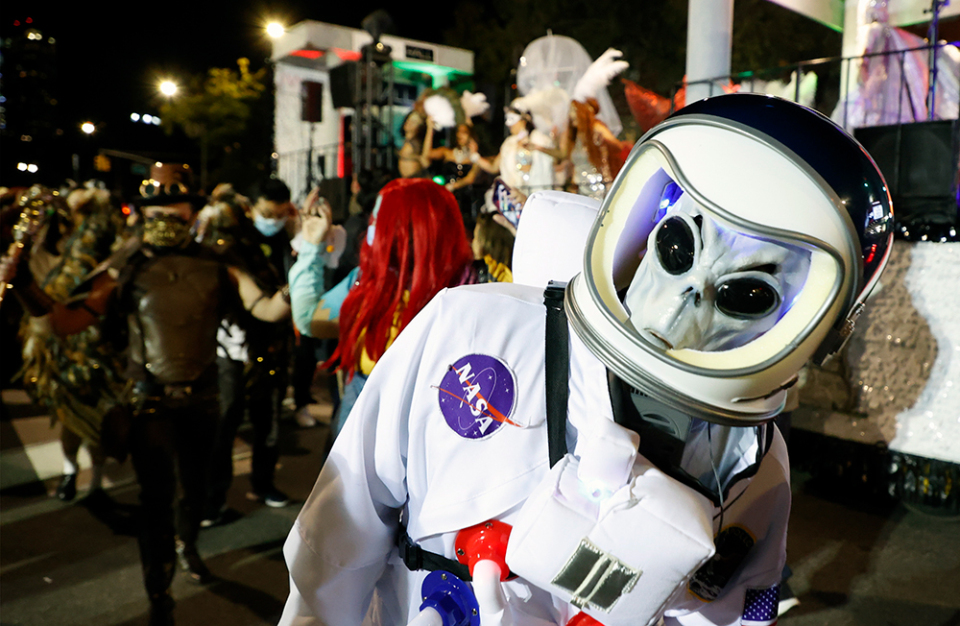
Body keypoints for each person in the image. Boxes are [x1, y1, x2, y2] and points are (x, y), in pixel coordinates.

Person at [276, 94, 893, 626]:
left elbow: (737, 612)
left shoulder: (754, 470)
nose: (686, 302)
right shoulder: (473, 332)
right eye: (678, 246)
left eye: (747, 295)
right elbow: (334, 543)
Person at [2, 174, 293, 626]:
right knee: (156, 501)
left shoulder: (220, 263)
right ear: (141, 214)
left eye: (175, 211)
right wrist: (22, 284)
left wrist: (305, 270)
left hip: (204, 399)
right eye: (155, 212)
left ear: (192, 212)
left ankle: (188, 546)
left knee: (194, 491)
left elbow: (266, 308)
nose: (164, 220)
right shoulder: (126, 266)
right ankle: (159, 595)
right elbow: (65, 322)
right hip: (149, 401)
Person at [287, 178, 487, 438]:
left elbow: (308, 319)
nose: (371, 228)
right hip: (395, 423)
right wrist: (311, 248)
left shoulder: (476, 287)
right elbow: (310, 320)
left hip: (428, 427)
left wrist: (311, 250)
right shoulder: (368, 282)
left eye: (379, 219)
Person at [12, 185, 124, 502]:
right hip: (63, 347)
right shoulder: (55, 249)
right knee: (71, 419)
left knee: (97, 420)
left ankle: (96, 483)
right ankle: (70, 472)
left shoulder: (110, 260)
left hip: (97, 348)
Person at [397, 111, 433, 178]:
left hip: (414, 179)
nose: (409, 123)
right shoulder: (404, 141)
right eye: (408, 120)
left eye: (413, 122)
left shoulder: (416, 143)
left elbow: (425, 158)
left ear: (418, 127)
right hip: (405, 179)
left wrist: (430, 128)